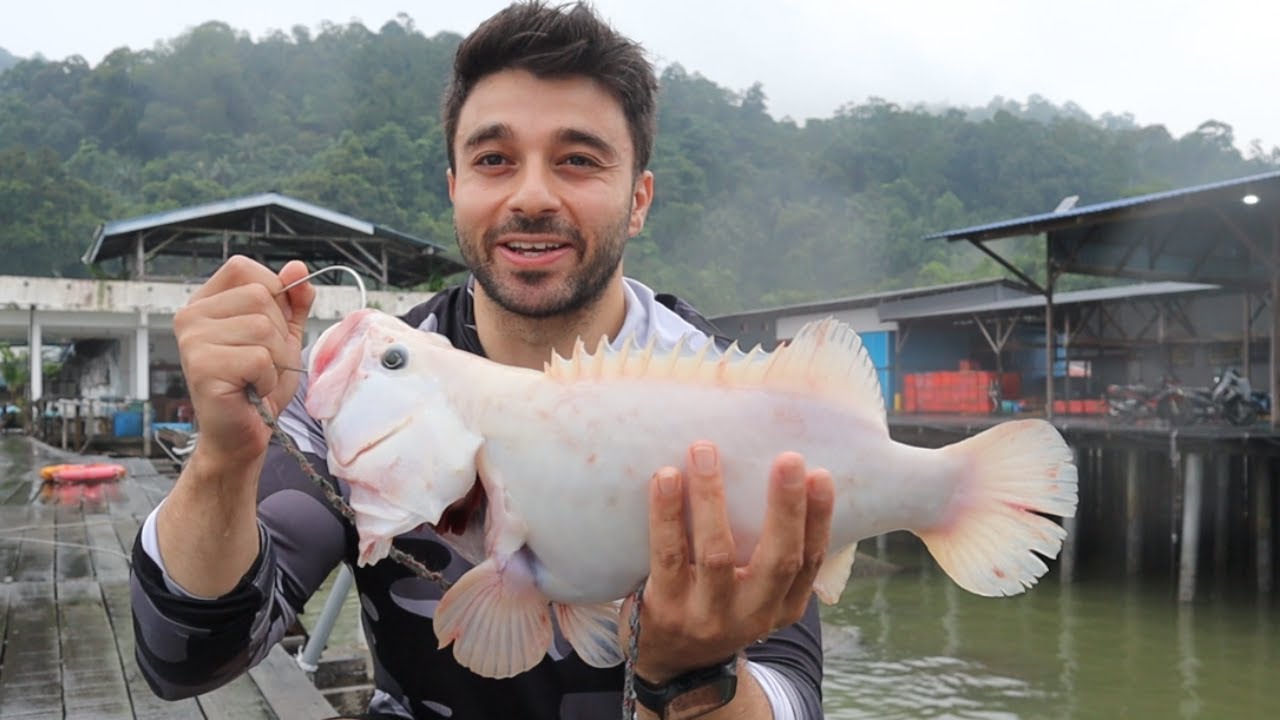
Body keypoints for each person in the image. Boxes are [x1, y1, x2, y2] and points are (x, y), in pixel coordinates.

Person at [130, 2, 836, 718]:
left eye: (578, 160)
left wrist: (690, 676)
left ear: (638, 199)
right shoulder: (367, 385)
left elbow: (791, 694)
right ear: (455, 188)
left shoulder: (739, 396)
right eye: (494, 160)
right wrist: (223, 460)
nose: (531, 196)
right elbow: (186, 658)